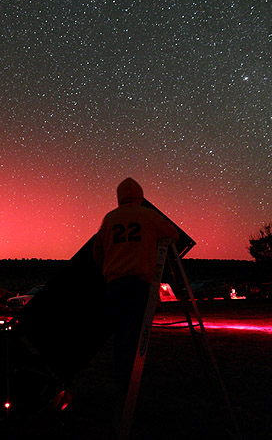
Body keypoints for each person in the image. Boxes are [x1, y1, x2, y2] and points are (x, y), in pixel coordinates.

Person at [92, 177, 179, 414]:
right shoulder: (148, 216)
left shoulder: (110, 219)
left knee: (121, 336)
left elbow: (97, 252)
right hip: (139, 283)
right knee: (136, 335)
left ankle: (122, 384)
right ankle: (131, 390)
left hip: (114, 284)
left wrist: (110, 267)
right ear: (140, 195)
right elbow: (174, 235)